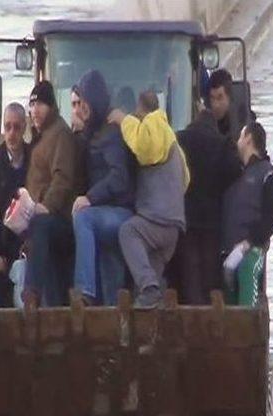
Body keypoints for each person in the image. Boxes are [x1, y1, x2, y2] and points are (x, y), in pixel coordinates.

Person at [109, 91, 189, 308]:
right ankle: (153, 335)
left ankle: (150, 289)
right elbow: (185, 180)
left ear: (140, 109)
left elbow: (143, 148)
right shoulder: (172, 139)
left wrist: (123, 119)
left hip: (158, 221)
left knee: (128, 232)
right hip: (172, 228)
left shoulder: (154, 125)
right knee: (146, 296)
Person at [71, 70, 134, 306]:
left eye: (84, 101)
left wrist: (89, 197)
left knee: (83, 218)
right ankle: (113, 327)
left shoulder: (111, 133)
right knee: (111, 283)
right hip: (106, 213)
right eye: (78, 102)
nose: (80, 107)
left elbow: (120, 177)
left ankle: (84, 291)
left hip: (120, 212)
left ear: (94, 100)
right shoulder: (94, 132)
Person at [173, 109, 243, 304]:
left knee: (189, 268)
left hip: (185, 216)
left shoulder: (179, 140)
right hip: (212, 218)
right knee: (209, 267)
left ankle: (191, 310)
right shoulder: (222, 144)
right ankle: (208, 310)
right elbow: (235, 171)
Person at [23, 81, 80, 306]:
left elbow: (62, 178)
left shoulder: (60, 135)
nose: (35, 110)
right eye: (32, 104)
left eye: (40, 105)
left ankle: (31, 293)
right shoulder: (42, 136)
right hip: (42, 218)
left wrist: (45, 206)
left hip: (60, 218)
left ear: (52, 107)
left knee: (40, 226)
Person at [222, 121, 273, 288]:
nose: (238, 142)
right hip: (227, 252)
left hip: (251, 254)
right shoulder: (237, 173)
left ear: (248, 139)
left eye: (241, 137)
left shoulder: (269, 175)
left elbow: (271, 219)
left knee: (247, 304)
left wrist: (249, 242)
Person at [0, 102, 31, 307]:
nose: (11, 134)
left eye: (17, 127)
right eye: (7, 127)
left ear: (24, 128)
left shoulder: (34, 158)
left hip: (27, 242)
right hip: (1, 245)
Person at [207, 68, 256, 139]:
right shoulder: (206, 122)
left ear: (229, 97)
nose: (215, 105)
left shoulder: (245, 123)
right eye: (212, 98)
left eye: (220, 98)